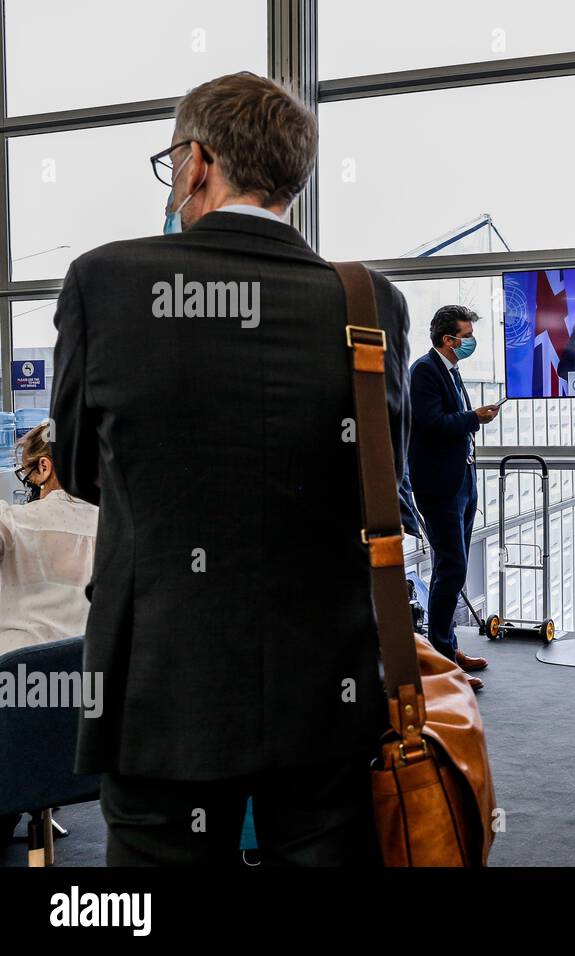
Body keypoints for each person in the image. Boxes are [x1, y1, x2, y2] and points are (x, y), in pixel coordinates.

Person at [51, 72, 410, 866]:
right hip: (329, 687)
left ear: (197, 161)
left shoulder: (104, 282)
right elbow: (382, 484)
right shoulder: (367, 302)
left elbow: (78, 468)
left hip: (160, 687)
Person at [407, 304, 496, 689]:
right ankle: (441, 656)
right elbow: (431, 424)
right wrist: (474, 418)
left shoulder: (451, 371)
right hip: (439, 487)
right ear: (448, 339)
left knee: (452, 565)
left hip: (462, 480)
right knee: (453, 568)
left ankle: (448, 647)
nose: (470, 341)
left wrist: (472, 420)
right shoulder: (424, 371)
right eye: (466, 335)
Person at [0, 421, 98, 656]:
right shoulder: (119, 529)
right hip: (92, 679)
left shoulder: (12, 521)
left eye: (27, 475)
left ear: (44, 467)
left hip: (18, 680)